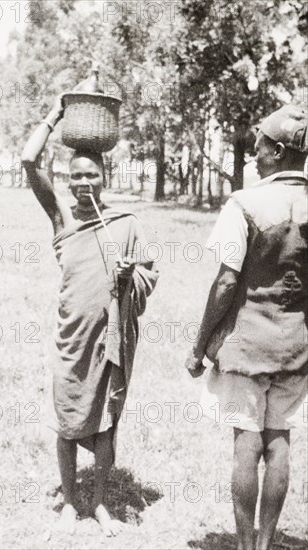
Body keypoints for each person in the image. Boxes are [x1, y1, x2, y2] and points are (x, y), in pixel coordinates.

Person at [21, 94, 158, 536]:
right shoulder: (62, 218)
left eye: (91, 175)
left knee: (104, 427)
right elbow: (28, 160)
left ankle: (98, 502)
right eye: (75, 175)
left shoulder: (126, 223)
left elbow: (149, 278)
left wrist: (128, 273)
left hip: (110, 340)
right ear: (67, 178)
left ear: (104, 177)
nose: (83, 183)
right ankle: (69, 501)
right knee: (66, 422)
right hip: (71, 339)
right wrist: (56, 116)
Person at [186, 104, 308, 550]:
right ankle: (267, 542)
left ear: (276, 151)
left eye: (258, 147)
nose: (253, 155)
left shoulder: (245, 203)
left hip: (245, 347)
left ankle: (243, 547)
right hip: (295, 350)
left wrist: (198, 347)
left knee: (246, 445)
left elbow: (226, 282)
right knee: (280, 444)